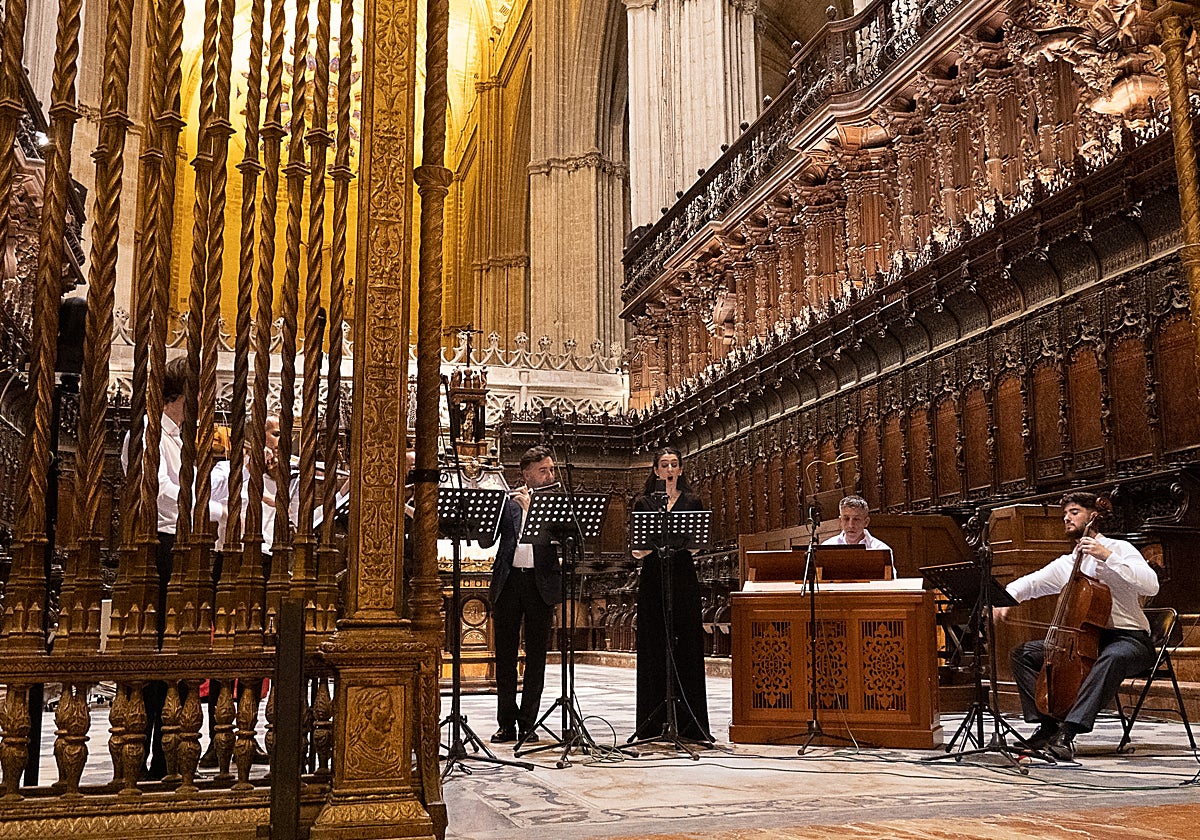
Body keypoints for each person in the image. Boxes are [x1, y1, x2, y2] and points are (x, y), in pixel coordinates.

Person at [994, 491, 1159, 761]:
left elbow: (1150, 584)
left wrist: (1108, 556)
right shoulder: (1070, 563)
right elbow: (1031, 583)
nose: (1067, 519)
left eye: (1074, 512)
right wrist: (1006, 598)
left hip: (1130, 641)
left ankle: (1068, 732)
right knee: (1023, 654)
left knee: (1112, 657)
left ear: (1093, 515)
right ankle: (1047, 727)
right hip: (1086, 641)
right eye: (1064, 515)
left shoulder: (1119, 549)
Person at [629, 447, 711, 743]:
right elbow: (637, 551)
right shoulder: (644, 503)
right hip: (653, 577)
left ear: (680, 469)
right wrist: (656, 542)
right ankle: (651, 723)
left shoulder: (693, 501)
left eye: (674, 464)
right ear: (655, 471)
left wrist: (681, 541)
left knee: (687, 643)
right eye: (664, 465)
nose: (669, 469)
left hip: (682, 575)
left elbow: (697, 545)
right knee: (653, 644)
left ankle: (691, 724)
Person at [482, 445, 562, 745]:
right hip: (510, 582)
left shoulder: (555, 504)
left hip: (540, 583)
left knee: (537, 656)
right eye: (543, 470)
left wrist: (531, 510)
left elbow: (561, 538)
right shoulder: (508, 503)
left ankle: (528, 722)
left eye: (550, 469)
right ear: (527, 473)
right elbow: (486, 539)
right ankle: (507, 723)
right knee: (505, 656)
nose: (549, 474)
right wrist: (488, 510)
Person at [820, 495, 895, 577]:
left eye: (856, 519)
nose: (851, 525)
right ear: (840, 521)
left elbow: (890, 583)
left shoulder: (881, 549)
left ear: (866, 522)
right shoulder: (827, 547)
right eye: (846, 519)